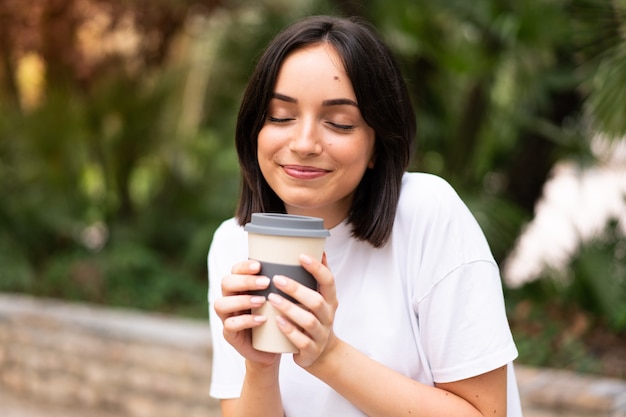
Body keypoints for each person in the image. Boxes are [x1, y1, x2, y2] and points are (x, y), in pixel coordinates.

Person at [208, 15, 523, 417]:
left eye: (339, 123)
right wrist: (259, 364)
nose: (303, 143)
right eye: (281, 116)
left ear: (377, 144)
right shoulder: (234, 244)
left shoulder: (427, 214)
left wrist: (328, 355)